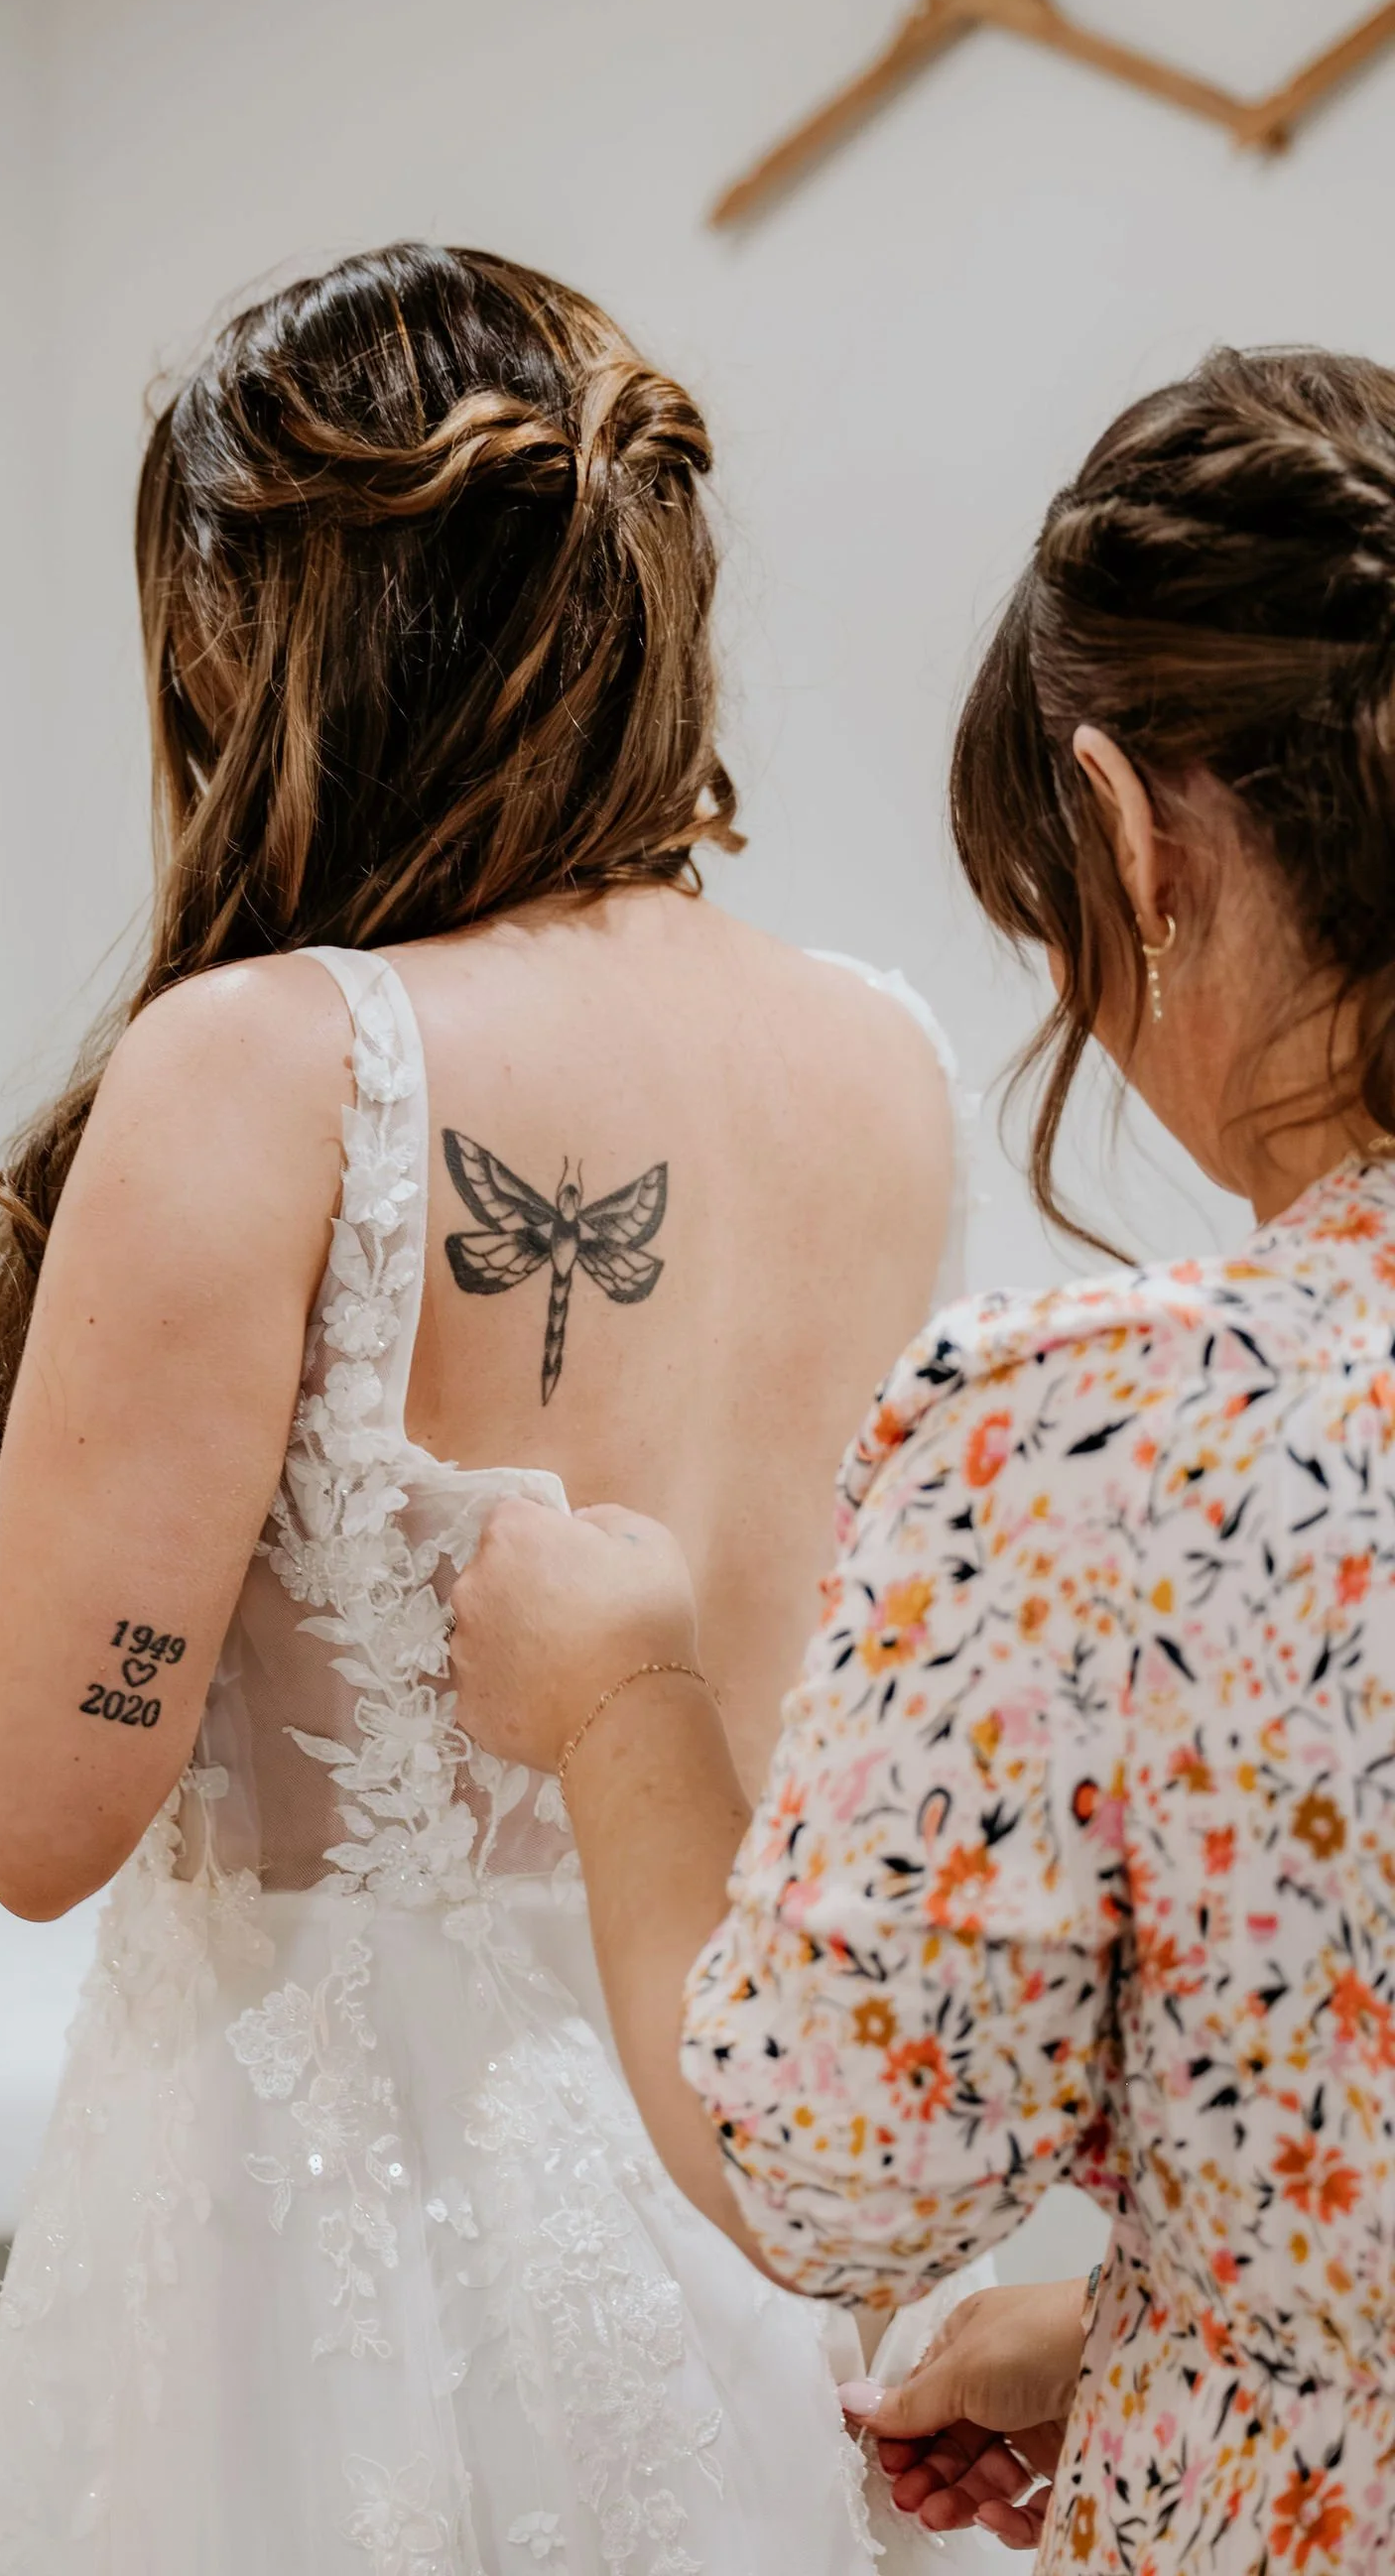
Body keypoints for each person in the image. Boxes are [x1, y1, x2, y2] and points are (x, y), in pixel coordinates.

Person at [0, 242, 992, 2572]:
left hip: (335, 2262)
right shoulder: (888, 1061)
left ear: (272, 637)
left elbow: (36, 1808)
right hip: (732, 2185)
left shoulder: (271, 1064)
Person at [449, 343, 1395, 2573]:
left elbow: (834, 2168)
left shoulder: (1098, 1435)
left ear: (1125, 832)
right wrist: (1143, 2327)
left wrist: (617, 1702)